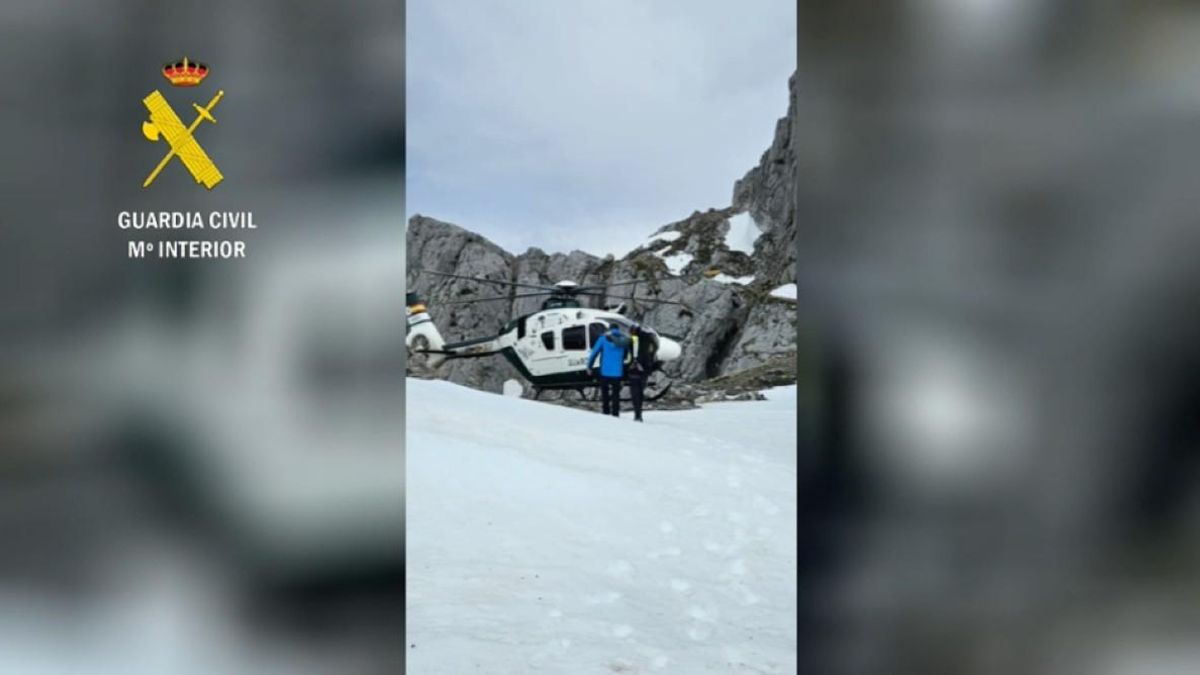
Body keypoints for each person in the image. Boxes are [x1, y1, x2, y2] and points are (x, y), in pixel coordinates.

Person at [586, 324, 629, 417]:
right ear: (618, 329)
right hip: (618, 372)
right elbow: (626, 355)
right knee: (616, 395)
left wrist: (589, 366)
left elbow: (594, 353)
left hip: (605, 371)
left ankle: (606, 412)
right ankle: (615, 414)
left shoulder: (603, 338)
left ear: (609, 329)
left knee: (605, 393)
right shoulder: (623, 339)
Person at [625, 324, 658, 422]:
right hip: (645, 370)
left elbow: (627, 356)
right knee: (640, 392)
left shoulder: (632, 340)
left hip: (634, 370)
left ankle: (637, 414)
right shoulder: (649, 340)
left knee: (635, 393)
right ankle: (639, 413)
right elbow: (653, 354)